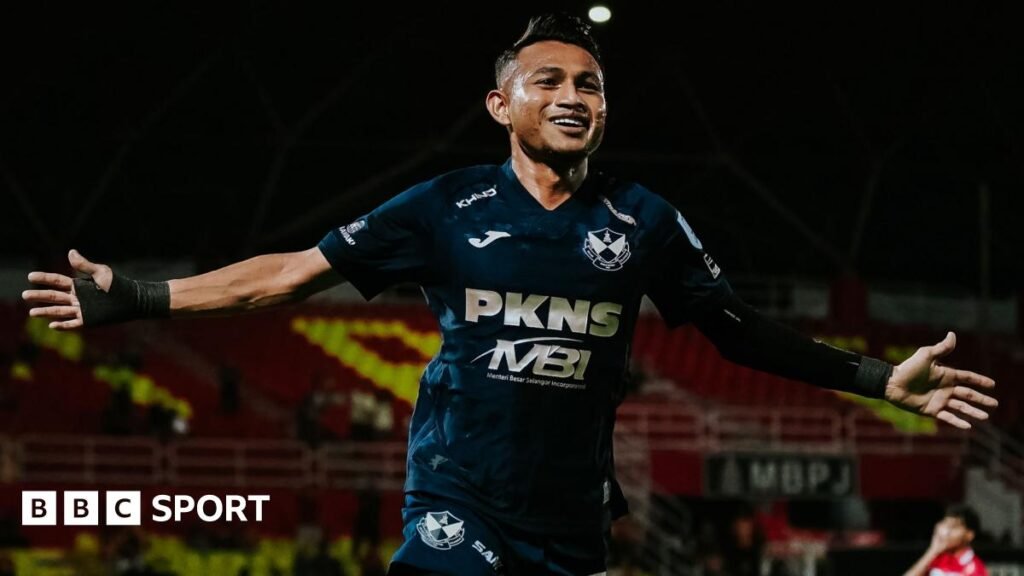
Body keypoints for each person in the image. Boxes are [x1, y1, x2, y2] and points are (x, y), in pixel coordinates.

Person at [21, 13, 998, 576]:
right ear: (502, 104)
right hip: (459, 494)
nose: (573, 96)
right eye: (549, 80)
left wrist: (878, 378)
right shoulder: (443, 207)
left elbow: (735, 332)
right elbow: (284, 276)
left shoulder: (644, 220)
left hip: (573, 518)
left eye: (590, 84)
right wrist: (137, 296)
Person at [904, 504, 988, 576]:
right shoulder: (935, 558)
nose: (947, 533)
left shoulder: (975, 568)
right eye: (946, 526)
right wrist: (932, 551)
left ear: (969, 535)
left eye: (953, 527)